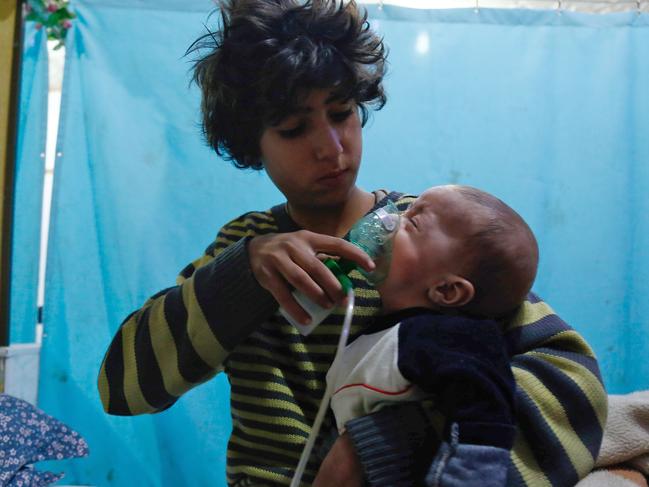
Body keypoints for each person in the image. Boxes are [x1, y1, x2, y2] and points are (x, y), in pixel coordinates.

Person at [97, 1, 607, 486]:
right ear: (252, 143)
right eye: (294, 128)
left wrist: (397, 440)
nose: (332, 149)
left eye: (342, 113)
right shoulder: (242, 250)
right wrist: (243, 275)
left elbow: (575, 385)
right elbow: (121, 390)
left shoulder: (426, 241)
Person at [326, 184, 539, 486]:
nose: (388, 219)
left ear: (446, 291)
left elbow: (486, 411)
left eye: (411, 222)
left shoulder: (446, 336)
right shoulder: (375, 336)